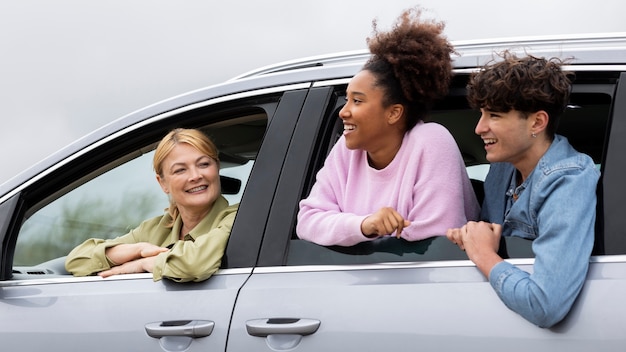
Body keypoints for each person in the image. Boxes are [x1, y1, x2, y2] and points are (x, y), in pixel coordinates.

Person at [296, 7, 480, 246]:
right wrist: (364, 225)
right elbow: (307, 221)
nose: (343, 111)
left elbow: (437, 239)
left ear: (394, 113)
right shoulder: (346, 148)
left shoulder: (430, 140)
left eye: (358, 101)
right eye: (347, 99)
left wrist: (345, 231)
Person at [446, 52, 600, 328]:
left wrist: (483, 254)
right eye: (481, 114)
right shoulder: (502, 170)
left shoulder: (569, 180)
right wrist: (469, 238)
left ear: (537, 123)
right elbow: (489, 235)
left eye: (493, 115)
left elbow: (546, 305)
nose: (479, 127)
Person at [65, 128, 238, 282]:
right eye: (180, 170)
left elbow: (195, 264)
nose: (195, 176)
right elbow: (77, 261)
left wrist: (142, 264)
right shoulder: (156, 229)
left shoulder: (239, 218)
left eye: (204, 164)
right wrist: (139, 249)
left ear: (217, 168)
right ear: (162, 183)